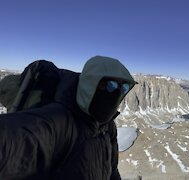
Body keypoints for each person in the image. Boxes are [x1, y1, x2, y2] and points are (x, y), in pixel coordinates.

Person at [0, 56, 137, 180]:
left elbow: (112, 170)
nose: (116, 92)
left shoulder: (108, 126)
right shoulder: (59, 121)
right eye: (108, 85)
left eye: (123, 88)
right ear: (90, 84)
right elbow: (13, 139)